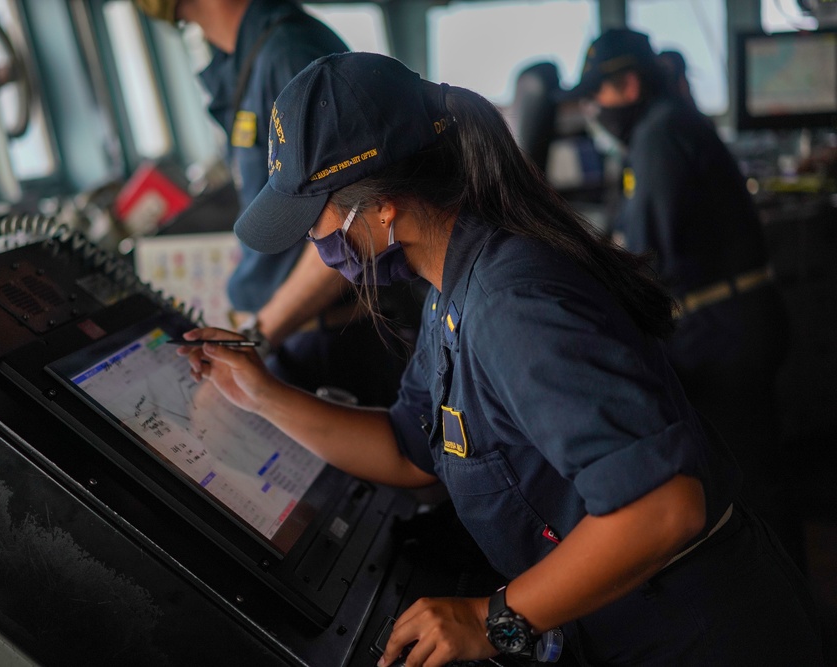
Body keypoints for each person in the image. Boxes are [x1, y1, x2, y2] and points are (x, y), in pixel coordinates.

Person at [178, 52, 823, 666]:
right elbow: (410, 451)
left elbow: (663, 506)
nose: (313, 242)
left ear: (380, 207)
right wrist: (258, 393)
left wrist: (491, 619)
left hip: (696, 634)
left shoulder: (512, 303)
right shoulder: (450, 285)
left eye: (313, 219)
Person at [562, 29, 801, 570]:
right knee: (761, 470)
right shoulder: (671, 124)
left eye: (595, 94)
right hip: (737, 321)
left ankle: (786, 616)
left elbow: (648, 256)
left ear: (625, 85)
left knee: (754, 482)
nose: (592, 108)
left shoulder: (659, 136)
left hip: (722, 333)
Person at [135, 0, 418, 407]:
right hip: (289, 333)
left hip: (328, 342)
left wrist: (257, 337)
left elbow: (357, 220)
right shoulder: (246, 59)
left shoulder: (289, 54)